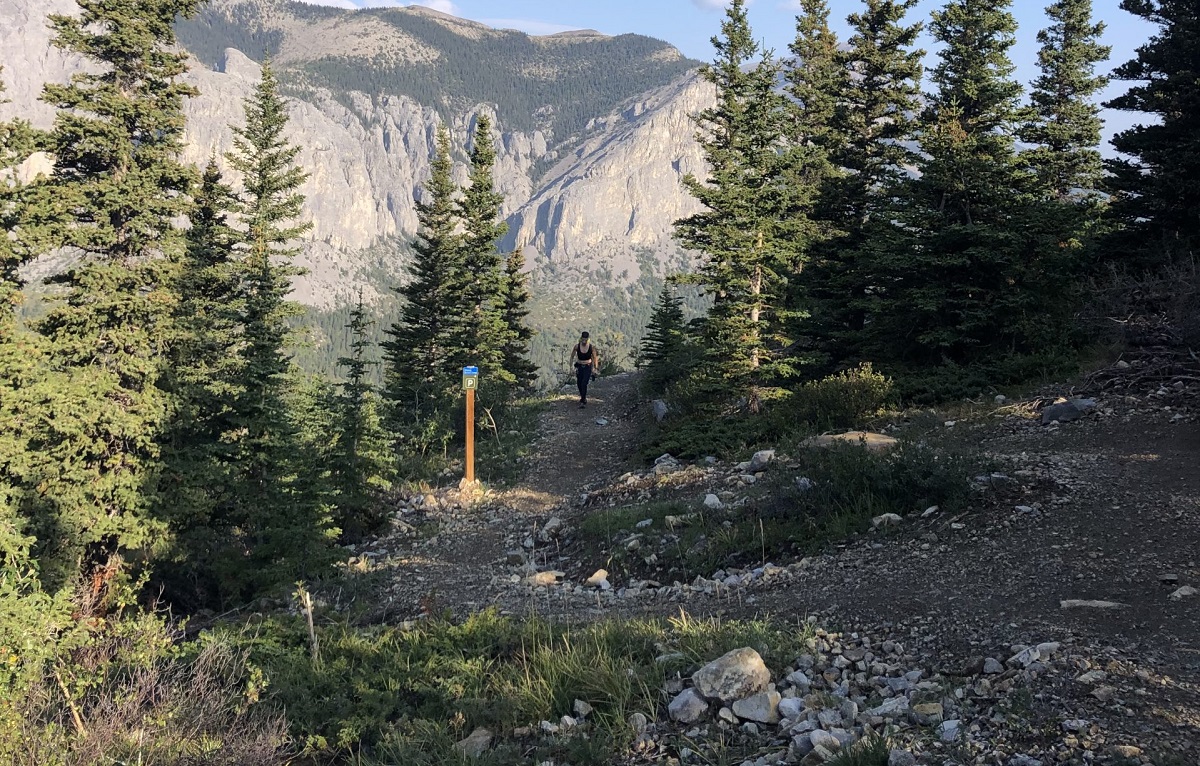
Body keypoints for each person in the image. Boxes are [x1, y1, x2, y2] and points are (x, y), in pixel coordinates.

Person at [569, 331, 599, 408]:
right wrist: (571, 367)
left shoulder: (591, 348)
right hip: (579, 366)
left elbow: (595, 358)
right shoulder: (577, 347)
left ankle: (583, 399)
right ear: (581, 338)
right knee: (579, 383)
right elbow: (572, 357)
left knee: (584, 383)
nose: (584, 341)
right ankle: (582, 396)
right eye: (583, 339)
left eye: (585, 339)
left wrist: (595, 368)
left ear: (588, 339)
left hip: (588, 366)